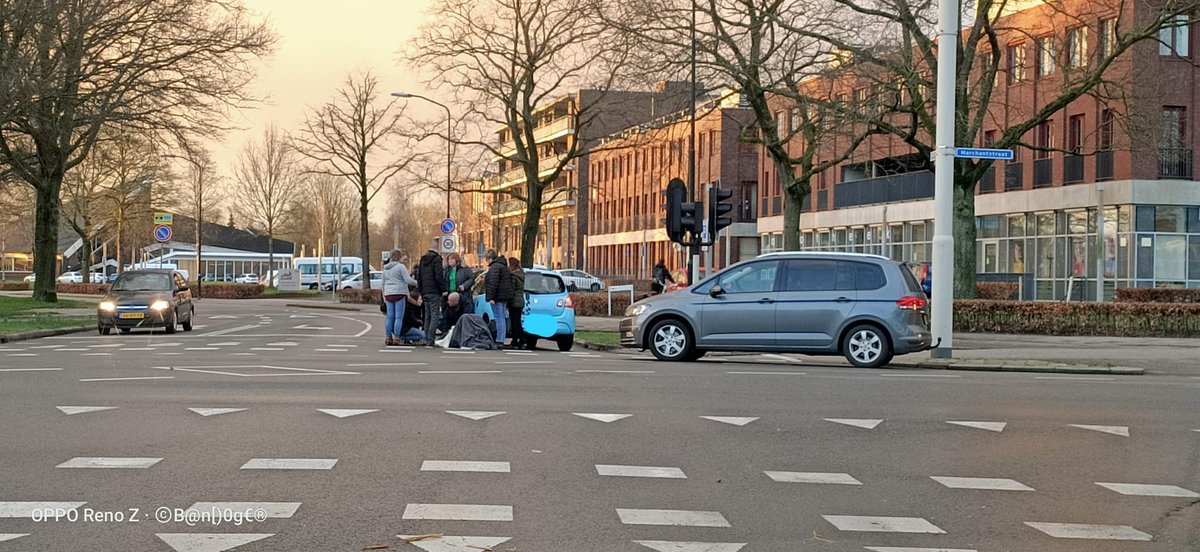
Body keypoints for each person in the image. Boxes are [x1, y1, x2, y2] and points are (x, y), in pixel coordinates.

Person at [381, 249, 417, 346]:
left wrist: (384, 295)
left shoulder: (385, 269)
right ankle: (397, 337)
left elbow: (382, 284)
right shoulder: (401, 267)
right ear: (399, 257)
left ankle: (388, 337)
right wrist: (417, 283)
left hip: (388, 294)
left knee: (389, 317)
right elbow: (408, 280)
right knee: (398, 317)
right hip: (399, 293)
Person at [415, 246, 448, 346]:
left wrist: (420, 291)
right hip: (434, 292)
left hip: (425, 291)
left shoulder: (422, 259)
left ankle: (426, 338)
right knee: (435, 316)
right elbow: (439, 276)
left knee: (427, 316)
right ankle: (430, 339)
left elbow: (419, 276)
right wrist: (443, 289)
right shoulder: (436, 259)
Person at [483, 249, 515, 348]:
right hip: (504, 296)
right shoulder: (503, 266)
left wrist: (491, 297)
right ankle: (501, 338)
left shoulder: (494, 268)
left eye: (486, 259)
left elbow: (493, 283)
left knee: (498, 318)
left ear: (489, 258)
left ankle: (499, 340)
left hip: (497, 297)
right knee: (502, 317)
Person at [507, 257, 526, 349]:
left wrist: (508, 300)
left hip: (514, 301)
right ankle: (522, 341)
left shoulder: (513, 276)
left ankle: (515, 341)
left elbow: (511, 289)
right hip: (521, 301)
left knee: (514, 322)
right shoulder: (521, 275)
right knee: (517, 322)